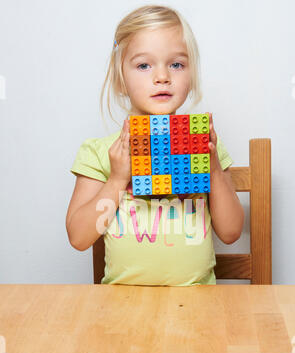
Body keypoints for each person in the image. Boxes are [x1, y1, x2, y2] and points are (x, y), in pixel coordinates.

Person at [66, 4, 244, 286]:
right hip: (122, 302)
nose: (162, 76)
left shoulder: (209, 147)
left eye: (176, 64)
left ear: (191, 74)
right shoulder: (100, 153)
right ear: (121, 80)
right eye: (143, 65)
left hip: (199, 300)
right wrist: (116, 179)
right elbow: (79, 237)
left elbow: (231, 232)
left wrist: (212, 167)